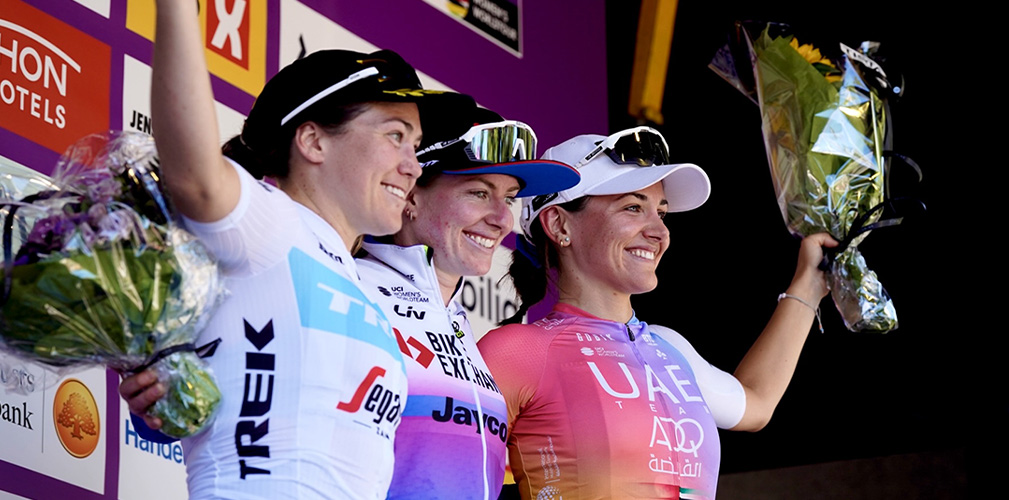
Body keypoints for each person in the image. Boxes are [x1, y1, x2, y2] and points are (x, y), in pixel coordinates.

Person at [118, 1, 467, 498]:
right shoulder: (270, 224)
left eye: (415, 144)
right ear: (313, 142)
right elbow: (195, 177)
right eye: (395, 136)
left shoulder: (355, 280)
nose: (413, 165)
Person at [477, 127, 838, 499]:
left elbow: (756, 403)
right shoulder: (515, 351)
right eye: (633, 208)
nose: (659, 232)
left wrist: (809, 286)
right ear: (559, 224)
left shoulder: (670, 347)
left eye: (661, 213)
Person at [356, 102, 579, 500]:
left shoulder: (460, 325)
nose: (502, 219)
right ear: (411, 194)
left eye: (509, 199)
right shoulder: (353, 289)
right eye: (479, 193)